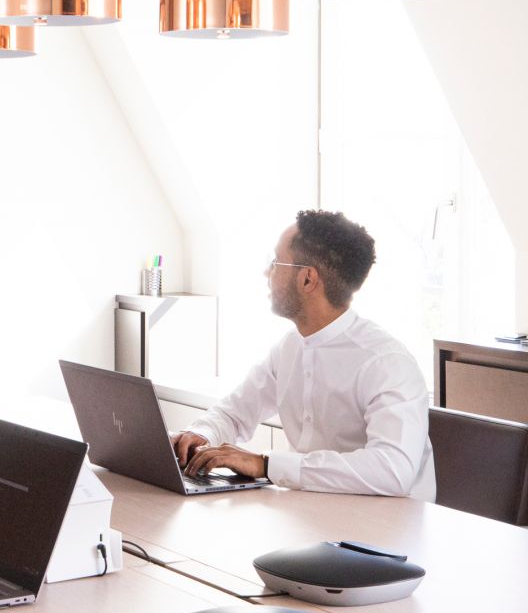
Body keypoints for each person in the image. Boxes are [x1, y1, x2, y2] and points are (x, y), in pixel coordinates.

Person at [173, 210, 435, 499]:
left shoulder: (386, 363)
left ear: (308, 279)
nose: (266, 273)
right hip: (311, 509)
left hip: (385, 523)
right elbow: (235, 413)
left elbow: (393, 470)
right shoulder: (289, 347)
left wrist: (266, 464)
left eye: (275, 263)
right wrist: (202, 434)